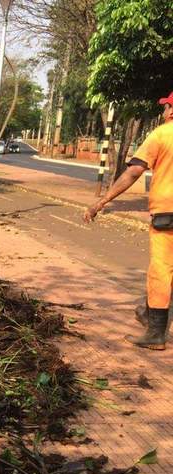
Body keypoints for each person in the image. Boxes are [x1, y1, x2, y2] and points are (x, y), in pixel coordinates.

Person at [83, 92, 173, 350]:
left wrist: (102, 201)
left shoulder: (161, 135)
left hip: (168, 214)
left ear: (169, 110)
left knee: (161, 270)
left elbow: (134, 171)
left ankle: (156, 334)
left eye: (165, 106)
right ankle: (148, 314)